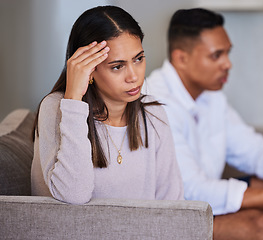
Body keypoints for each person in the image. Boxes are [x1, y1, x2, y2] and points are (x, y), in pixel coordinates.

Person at [144, 8, 263, 240]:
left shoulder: (211, 95)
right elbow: (193, 192)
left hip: (204, 202)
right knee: (259, 226)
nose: (228, 64)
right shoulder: (156, 103)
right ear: (181, 58)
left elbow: (250, 148)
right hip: (174, 213)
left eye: (227, 53)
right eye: (216, 55)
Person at [31, 6, 184, 204]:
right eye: (117, 66)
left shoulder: (153, 114)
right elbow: (73, 195)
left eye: (138, 59)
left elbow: (174, 204)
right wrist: (74, 98)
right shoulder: (58, 108)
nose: (134, 76)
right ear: (88, 69)